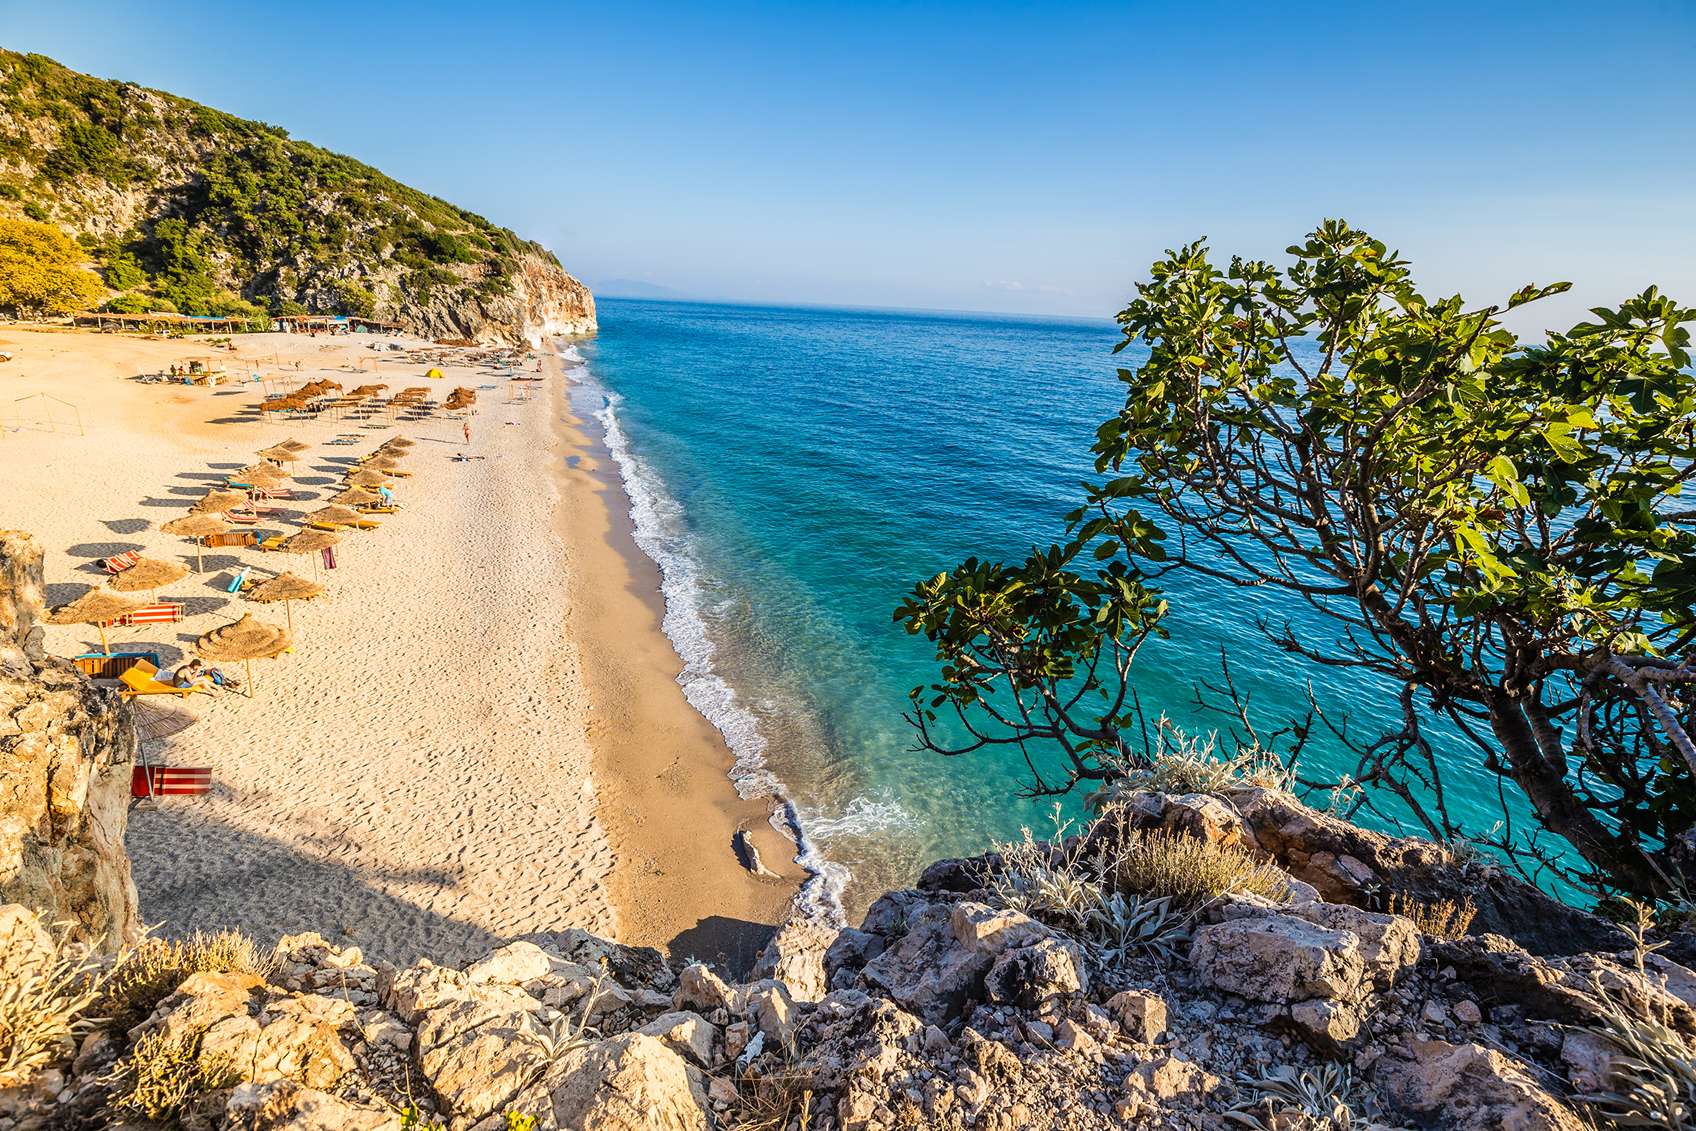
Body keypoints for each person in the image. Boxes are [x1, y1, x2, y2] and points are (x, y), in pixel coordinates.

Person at [171, 658, 242, 692]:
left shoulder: (187, 667)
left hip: (184, 681)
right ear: (195, 665)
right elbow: (190, 682)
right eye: (198, 667)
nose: (198, 668)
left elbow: (190, 678)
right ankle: (213, 693)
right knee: (203, 682)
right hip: (180, 685)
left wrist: (197, 672)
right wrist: (197, 672)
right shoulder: (186, 670)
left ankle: (218, 688)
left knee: (203, 678)